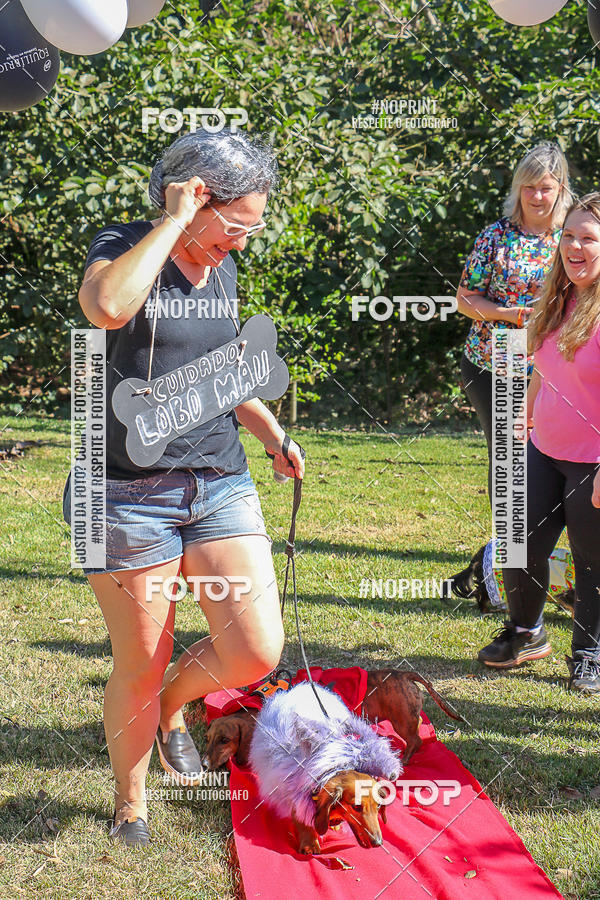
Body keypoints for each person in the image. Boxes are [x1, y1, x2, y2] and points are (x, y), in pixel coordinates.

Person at [62, 129, 305, 846]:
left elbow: (225, 368)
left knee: (256, 649)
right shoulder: (126, 242)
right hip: (127, 492)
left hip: (219, 479)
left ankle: (170, 705)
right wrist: (170, 225)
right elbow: (105, 307)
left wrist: (270, 434)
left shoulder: (220, 268)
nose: (240, 243)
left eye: (250, 229)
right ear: (192, 198)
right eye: (234, 226)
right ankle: (130, 802)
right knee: (140, 658)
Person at [477, 192, 600, 693]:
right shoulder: (556, 297)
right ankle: (525, 632)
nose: (573, 246)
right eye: (568, 235)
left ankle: (590, 653)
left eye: (587, 238)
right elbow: (546, 369)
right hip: (544, 447)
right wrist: (526, 409)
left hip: (593, 460)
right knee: (516, 543)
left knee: (592, 560)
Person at [457, 142, 571, 500]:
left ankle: (551, 548)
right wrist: (508, 315)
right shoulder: (496, 235)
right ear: (518, 188)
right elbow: (464, 300)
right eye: (529, 186)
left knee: (557, 455)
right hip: (500, 355)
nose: (537, 196)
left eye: (547, 187)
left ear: (561, 189)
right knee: (509, 456)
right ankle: (509, 547)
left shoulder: (572, 235)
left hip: (560, 360)